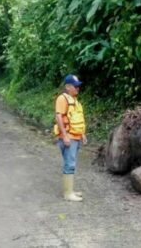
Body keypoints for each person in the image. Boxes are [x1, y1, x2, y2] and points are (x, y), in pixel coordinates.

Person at [54, 74, 87, 202]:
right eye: (75, 86)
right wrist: (65, 136)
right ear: (68, 87)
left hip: (76, 137)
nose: (78, 89)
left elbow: (77, 120)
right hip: (68, 138)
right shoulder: (62, 99)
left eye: (78, 86)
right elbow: (58, 117)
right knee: (70, 164)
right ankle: (68, 194)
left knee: (71, 163)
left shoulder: (76, 101)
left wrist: (82, 134)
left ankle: (70, 190)